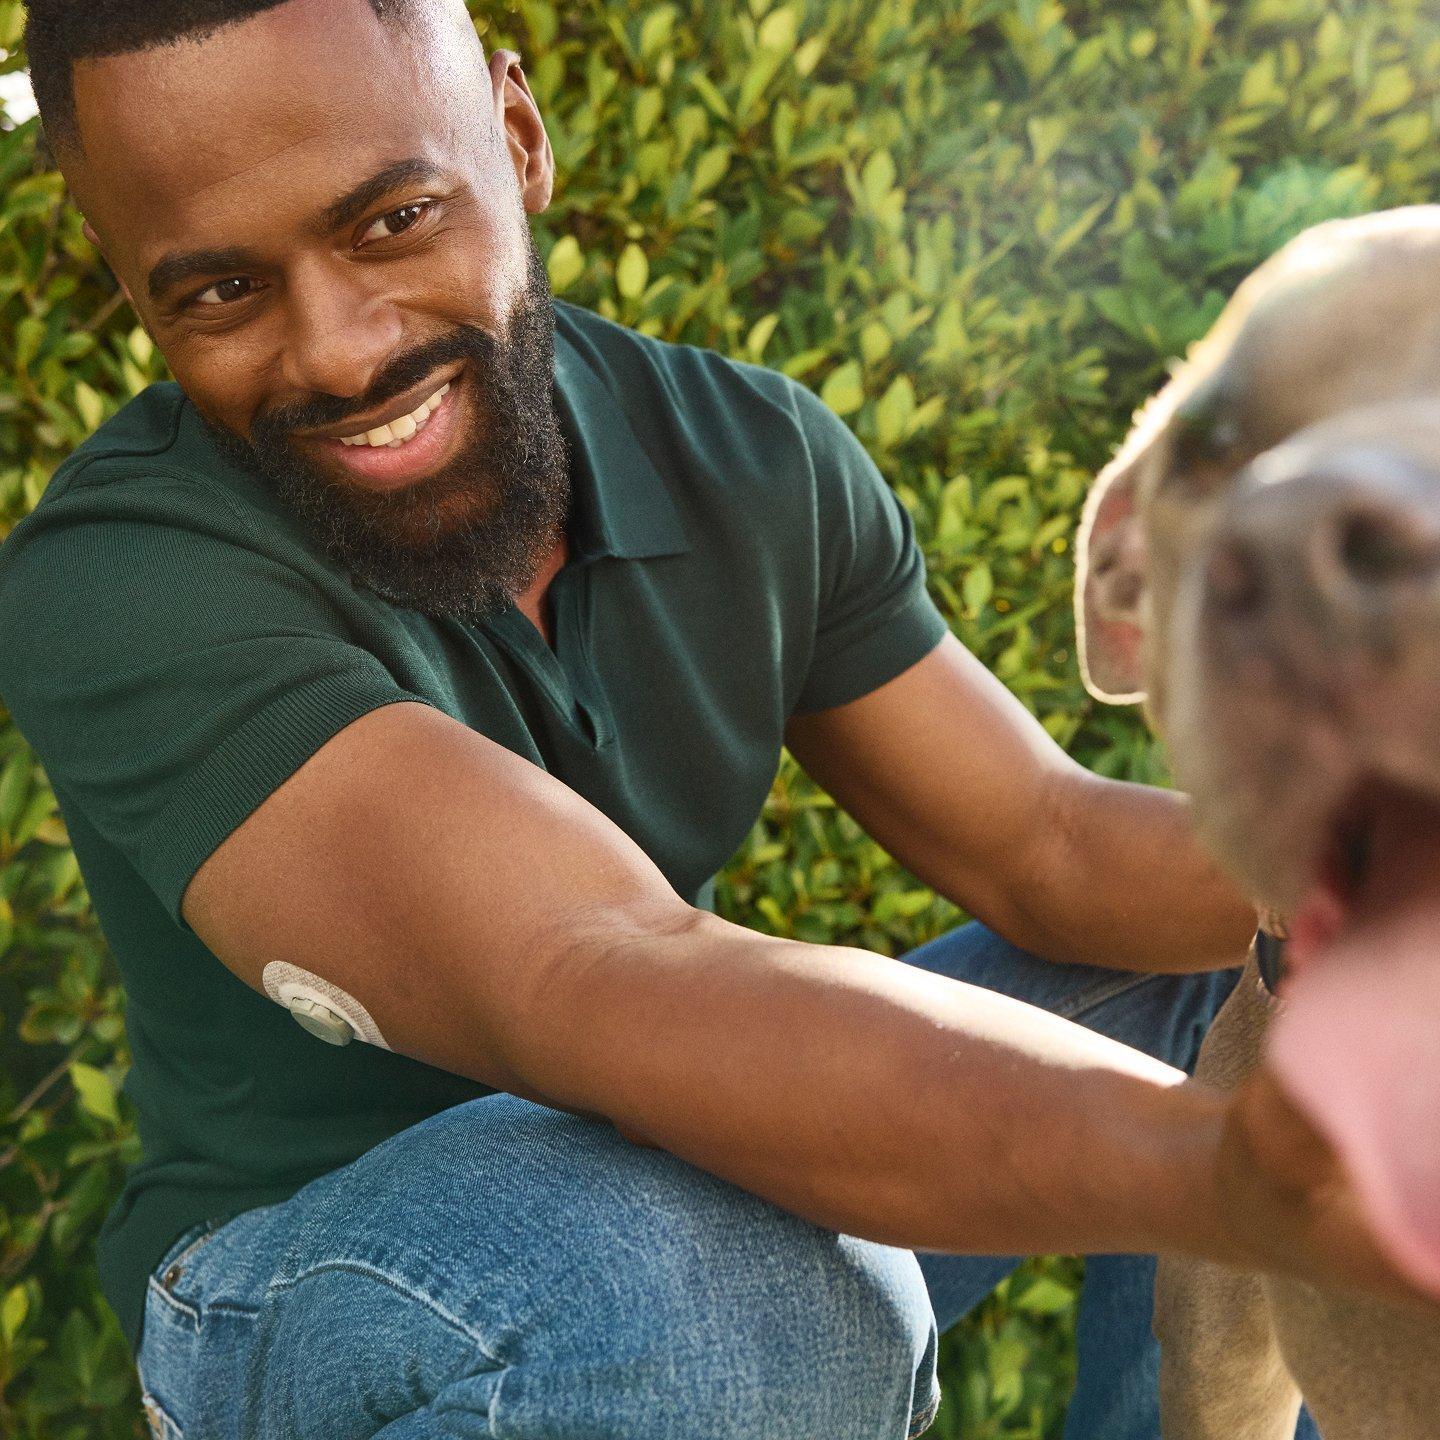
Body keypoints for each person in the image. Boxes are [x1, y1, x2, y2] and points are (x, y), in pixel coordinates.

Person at [0, 2, 1385, 1435]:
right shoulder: (119, 580)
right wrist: (1257, 1176)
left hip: (658, 1164)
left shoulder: (750, 456)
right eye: (220, 294)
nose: (341, 352)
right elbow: (597, 968)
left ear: (519, 138)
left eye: (395, 219)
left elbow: (1049, 846)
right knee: (734, 1295)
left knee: (1246, 961)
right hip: (305, 1282)